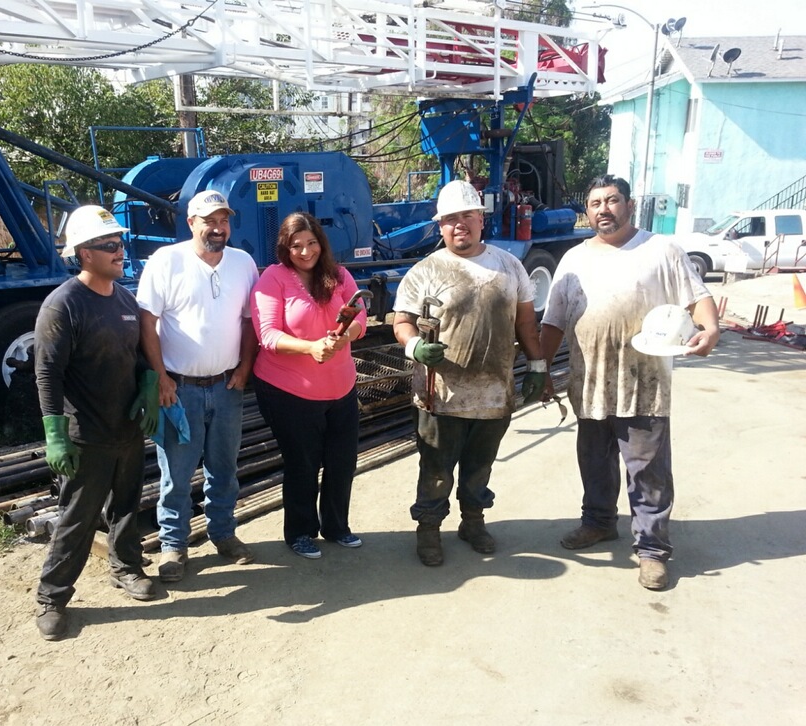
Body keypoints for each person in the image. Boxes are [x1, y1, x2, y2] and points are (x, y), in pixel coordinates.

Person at [539, 174, 720, 591]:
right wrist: (541, 370)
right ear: (587, 210)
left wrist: (710, 330)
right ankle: (599, 523)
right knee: (594, 462)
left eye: (612, 200)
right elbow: (553, 322)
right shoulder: (574, 259)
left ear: (630, 204)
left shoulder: (661, 250)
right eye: (595, 203)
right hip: (589, 381)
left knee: (647, 470)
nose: (604, 209)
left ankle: (653, 550)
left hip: (645, 381)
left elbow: (698, 296)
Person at [393, 180, 546, 567]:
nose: (460, 224)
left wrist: (538, 366)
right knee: (436, 469)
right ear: (440, 227)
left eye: (467, 216)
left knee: (480, 466)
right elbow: (402, 322)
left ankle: (472, 522)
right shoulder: (425, 271)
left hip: (494, 392)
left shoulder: (509, 266)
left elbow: (526, 323)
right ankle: (428, 528)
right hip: (440, 393)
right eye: (450, 219)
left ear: (481, 219)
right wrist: (415, 348)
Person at [33, 205, 160, 642]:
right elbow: (47, 373)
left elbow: (139, 355)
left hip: (126, 428)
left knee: (127, 507)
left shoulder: (125, 299)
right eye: (109, 245)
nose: (119, 250)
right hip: (85, 434)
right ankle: (52, 597)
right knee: (79, 517)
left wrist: (147, 383)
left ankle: (127, 568)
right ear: (84, 253)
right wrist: (55, 436)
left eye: (119, 242)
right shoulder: (63, 305)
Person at [137, 190, 260, 583]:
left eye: (224, 220)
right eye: (209, 221)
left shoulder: (243, 263)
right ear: (191, 223)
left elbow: (247, 322)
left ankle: (223, 533)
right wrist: (160, 378)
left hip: (227, 386)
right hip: (180, 390)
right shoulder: (166, 262)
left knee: (224, 468)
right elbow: (147, 322)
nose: (218, 227)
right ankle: (174, 545)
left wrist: (245, 367)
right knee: (176, 472)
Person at [251, 212, 366, 559]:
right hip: (289, 391)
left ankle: (336, 527)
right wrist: (311, 347)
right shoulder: (273, 279)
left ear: (321, 242)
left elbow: (359, 313)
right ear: (285, 248)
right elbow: (267, 334)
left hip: (341, 388)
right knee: (303, 463)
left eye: (311, 242)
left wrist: (344, 336)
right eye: (296, 245)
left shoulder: (338, 275)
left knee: (342, 460)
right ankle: (300, 532)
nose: (305, 251)